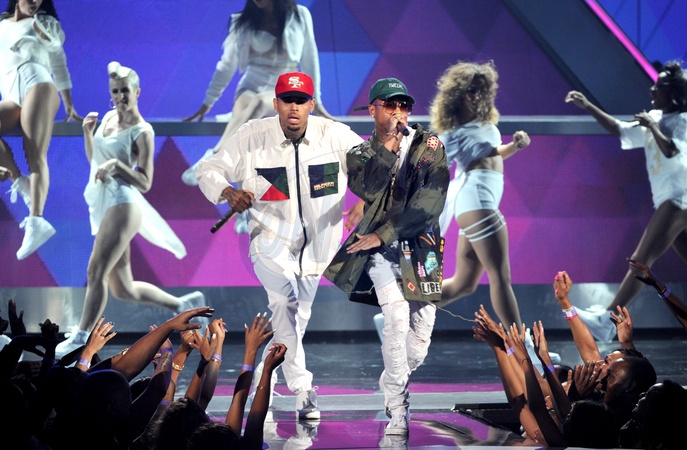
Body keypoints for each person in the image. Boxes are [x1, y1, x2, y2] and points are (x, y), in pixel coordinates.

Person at [196, 70, 363, 420]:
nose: (294, 108)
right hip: (269, 243)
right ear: (276, 103)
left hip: (317, 251)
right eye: (287, 100)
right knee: (285, 302)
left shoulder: (335, 136)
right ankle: (303, 389)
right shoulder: (252, 137)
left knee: (295, 319)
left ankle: (265, 378)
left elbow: (372, 166)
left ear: (311, 105)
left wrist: (364, 199)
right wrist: (227, 191)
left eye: (301, 101)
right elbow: (207, 169)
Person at [324, 77, 450, 435]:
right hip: (379, 249)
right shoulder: (360, 155)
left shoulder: (429, 146)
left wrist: (386, 231)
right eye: (390, 105)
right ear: (373, 110)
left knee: (420, 342)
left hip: (420, 246)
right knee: (395, 317)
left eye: (403, 105)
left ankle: (391, 381)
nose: (398, 112)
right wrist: (388, 147)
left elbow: (431, 201)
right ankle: (398, 408)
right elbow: (368, 187)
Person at [55, 61, 205, 359]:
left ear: (137, 92)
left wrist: (118, 166)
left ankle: (81, 338)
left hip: (124, 203)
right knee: (123, 288)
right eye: (115, 91)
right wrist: (88, 134)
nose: (120, 96)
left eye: (125, 90)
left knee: (95, 270)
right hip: (105, 203)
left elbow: (145, 182)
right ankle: (182, 304)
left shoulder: (142, 131)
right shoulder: (109, 117)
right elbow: (97, 162)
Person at [181, 0, 333, 236]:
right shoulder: (241, 21)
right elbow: (226, 65)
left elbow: (310, 58)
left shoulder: (300, 15)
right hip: (251, 84)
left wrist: (317, 101)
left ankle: (214, 158)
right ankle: (242, 205)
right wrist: (208, 102)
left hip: (284, 86)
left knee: (259, 104)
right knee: (248, 106)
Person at [564, 60, 687, 342]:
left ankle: (608, 320)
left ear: (673, 94)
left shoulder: (682, 121)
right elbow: (620, 129)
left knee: (641, 261)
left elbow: (671, 151)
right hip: (670, 198)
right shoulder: (654, 116)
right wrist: (588, 106)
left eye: (659, 86)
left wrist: (653, 126)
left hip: (679, 199)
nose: (652, 89)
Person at [427, 61, 530, 335]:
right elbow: (431, 167)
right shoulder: (452, 133)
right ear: (457, 95)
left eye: (482, 91)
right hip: (476, 201)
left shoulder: (486, 125)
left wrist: (515, 146)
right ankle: (524, 347)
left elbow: (493, 153)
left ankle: (396, 317)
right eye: (471, 91)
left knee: (463, 284)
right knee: (501, 277)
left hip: (481, 202)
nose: (477, 97)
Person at [0, 0, 81, 260]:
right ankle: (18, 180)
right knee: (29, 158)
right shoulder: (1, 26)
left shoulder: (46, 23)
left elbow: (59, 61)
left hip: (39, 85)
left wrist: (69, 105)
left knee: (34, 154)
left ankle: (36, 221)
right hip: (11, 95)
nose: (35, 1)